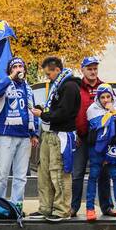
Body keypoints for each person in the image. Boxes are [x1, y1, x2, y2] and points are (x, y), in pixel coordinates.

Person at [0, 57, 39, 209]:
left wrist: (34, 133)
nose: (18, 69)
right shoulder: (6, 84)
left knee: (21, 176)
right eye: (14, 67)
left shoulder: (28, 89)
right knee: (2, 173)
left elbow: (32, 110)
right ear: (10, 70)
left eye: (20, 66)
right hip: (6, 135)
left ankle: (17, 205)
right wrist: (10, 78)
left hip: (24, 137)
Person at [33, 56, 78, 221]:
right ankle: (45, 207)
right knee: (43, 173)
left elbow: (63, 113)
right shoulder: (56, 85)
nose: (47, 77)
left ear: (57, 70)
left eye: (48, 74)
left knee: (59, 173)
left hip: (61, 135)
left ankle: (61, 210)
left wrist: (43, 114)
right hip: (48, 133)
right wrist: (43, 110)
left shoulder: (70, 86)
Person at [70, 56, 113, 218]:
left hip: (100, 140)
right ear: (82, 70)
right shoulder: (76, 87)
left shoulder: (105, 87)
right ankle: (73, 207)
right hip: (81, 138)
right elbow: (71, 111)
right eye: (89, 68)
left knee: (103, 173)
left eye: (95, 68)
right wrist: (74, 132)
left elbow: (113, 109)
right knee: (78, 173)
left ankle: (106, 207)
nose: (93, 71)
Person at [84, 85, 116, 222]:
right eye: (102, 97)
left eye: (108, 96)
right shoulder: (92, 110)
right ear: (98, 98)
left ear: (112, 96)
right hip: (97, 148)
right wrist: (109, 116)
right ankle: (90, 208)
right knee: (93, 176)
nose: (105, 100)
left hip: (113, 146)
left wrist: (113, 113)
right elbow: (98, 127)